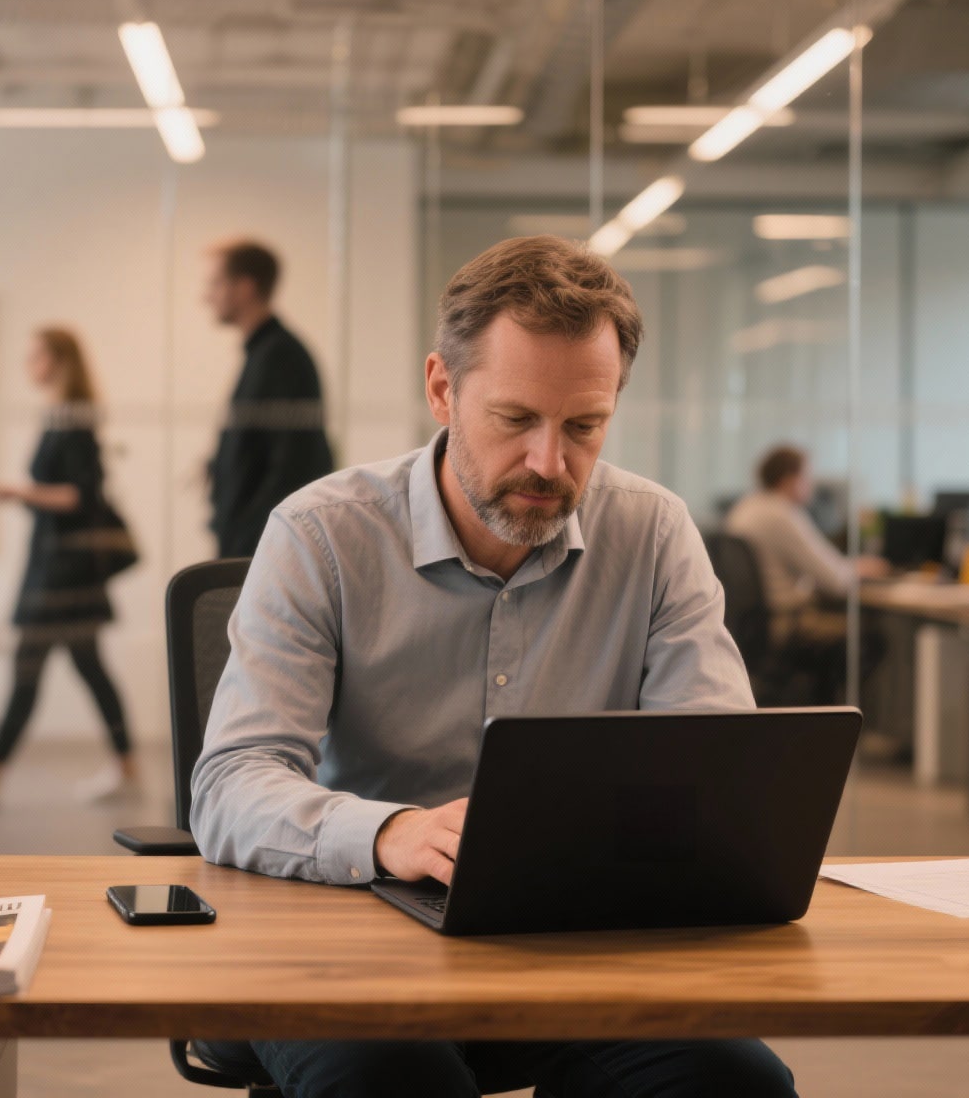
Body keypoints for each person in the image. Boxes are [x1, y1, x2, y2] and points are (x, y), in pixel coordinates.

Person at [189, 235, 797, 1098]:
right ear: (442, 389)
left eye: (583, 426)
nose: (550, 463)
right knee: (400, 1083)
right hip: (349, 940)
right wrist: (391, 833)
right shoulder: (320, 534)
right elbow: (231, 783)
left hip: (571, 951)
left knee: (736, 1086)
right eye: (516, 420)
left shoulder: (654, 534)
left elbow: (716, 772)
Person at [0, 326, 135, 806]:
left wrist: (17, 491)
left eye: (36, 357)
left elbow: (80, 495)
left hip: (62, 572)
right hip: (55, 564)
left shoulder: (73, 419)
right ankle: (124, 768)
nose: (29, 365)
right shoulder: (61, 415)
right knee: (86, 669)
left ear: (59, 360)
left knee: (34, 669)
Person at [203, 239, 335, 558]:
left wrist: (248, 538)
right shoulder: (265, 354)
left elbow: (295, 465)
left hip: (262, 551)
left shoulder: (280, 357)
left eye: (216, 283)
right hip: (254, 546)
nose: (206, 296)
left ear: (245, 287)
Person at [723, 445, 888, 647]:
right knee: (872, 638)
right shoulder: (782, 514)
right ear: (789, 479)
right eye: (807, 476)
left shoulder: (745, 507)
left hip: (753, 624)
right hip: (787, 622)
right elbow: (835, 580)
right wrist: (862, 568)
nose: (812, 484)